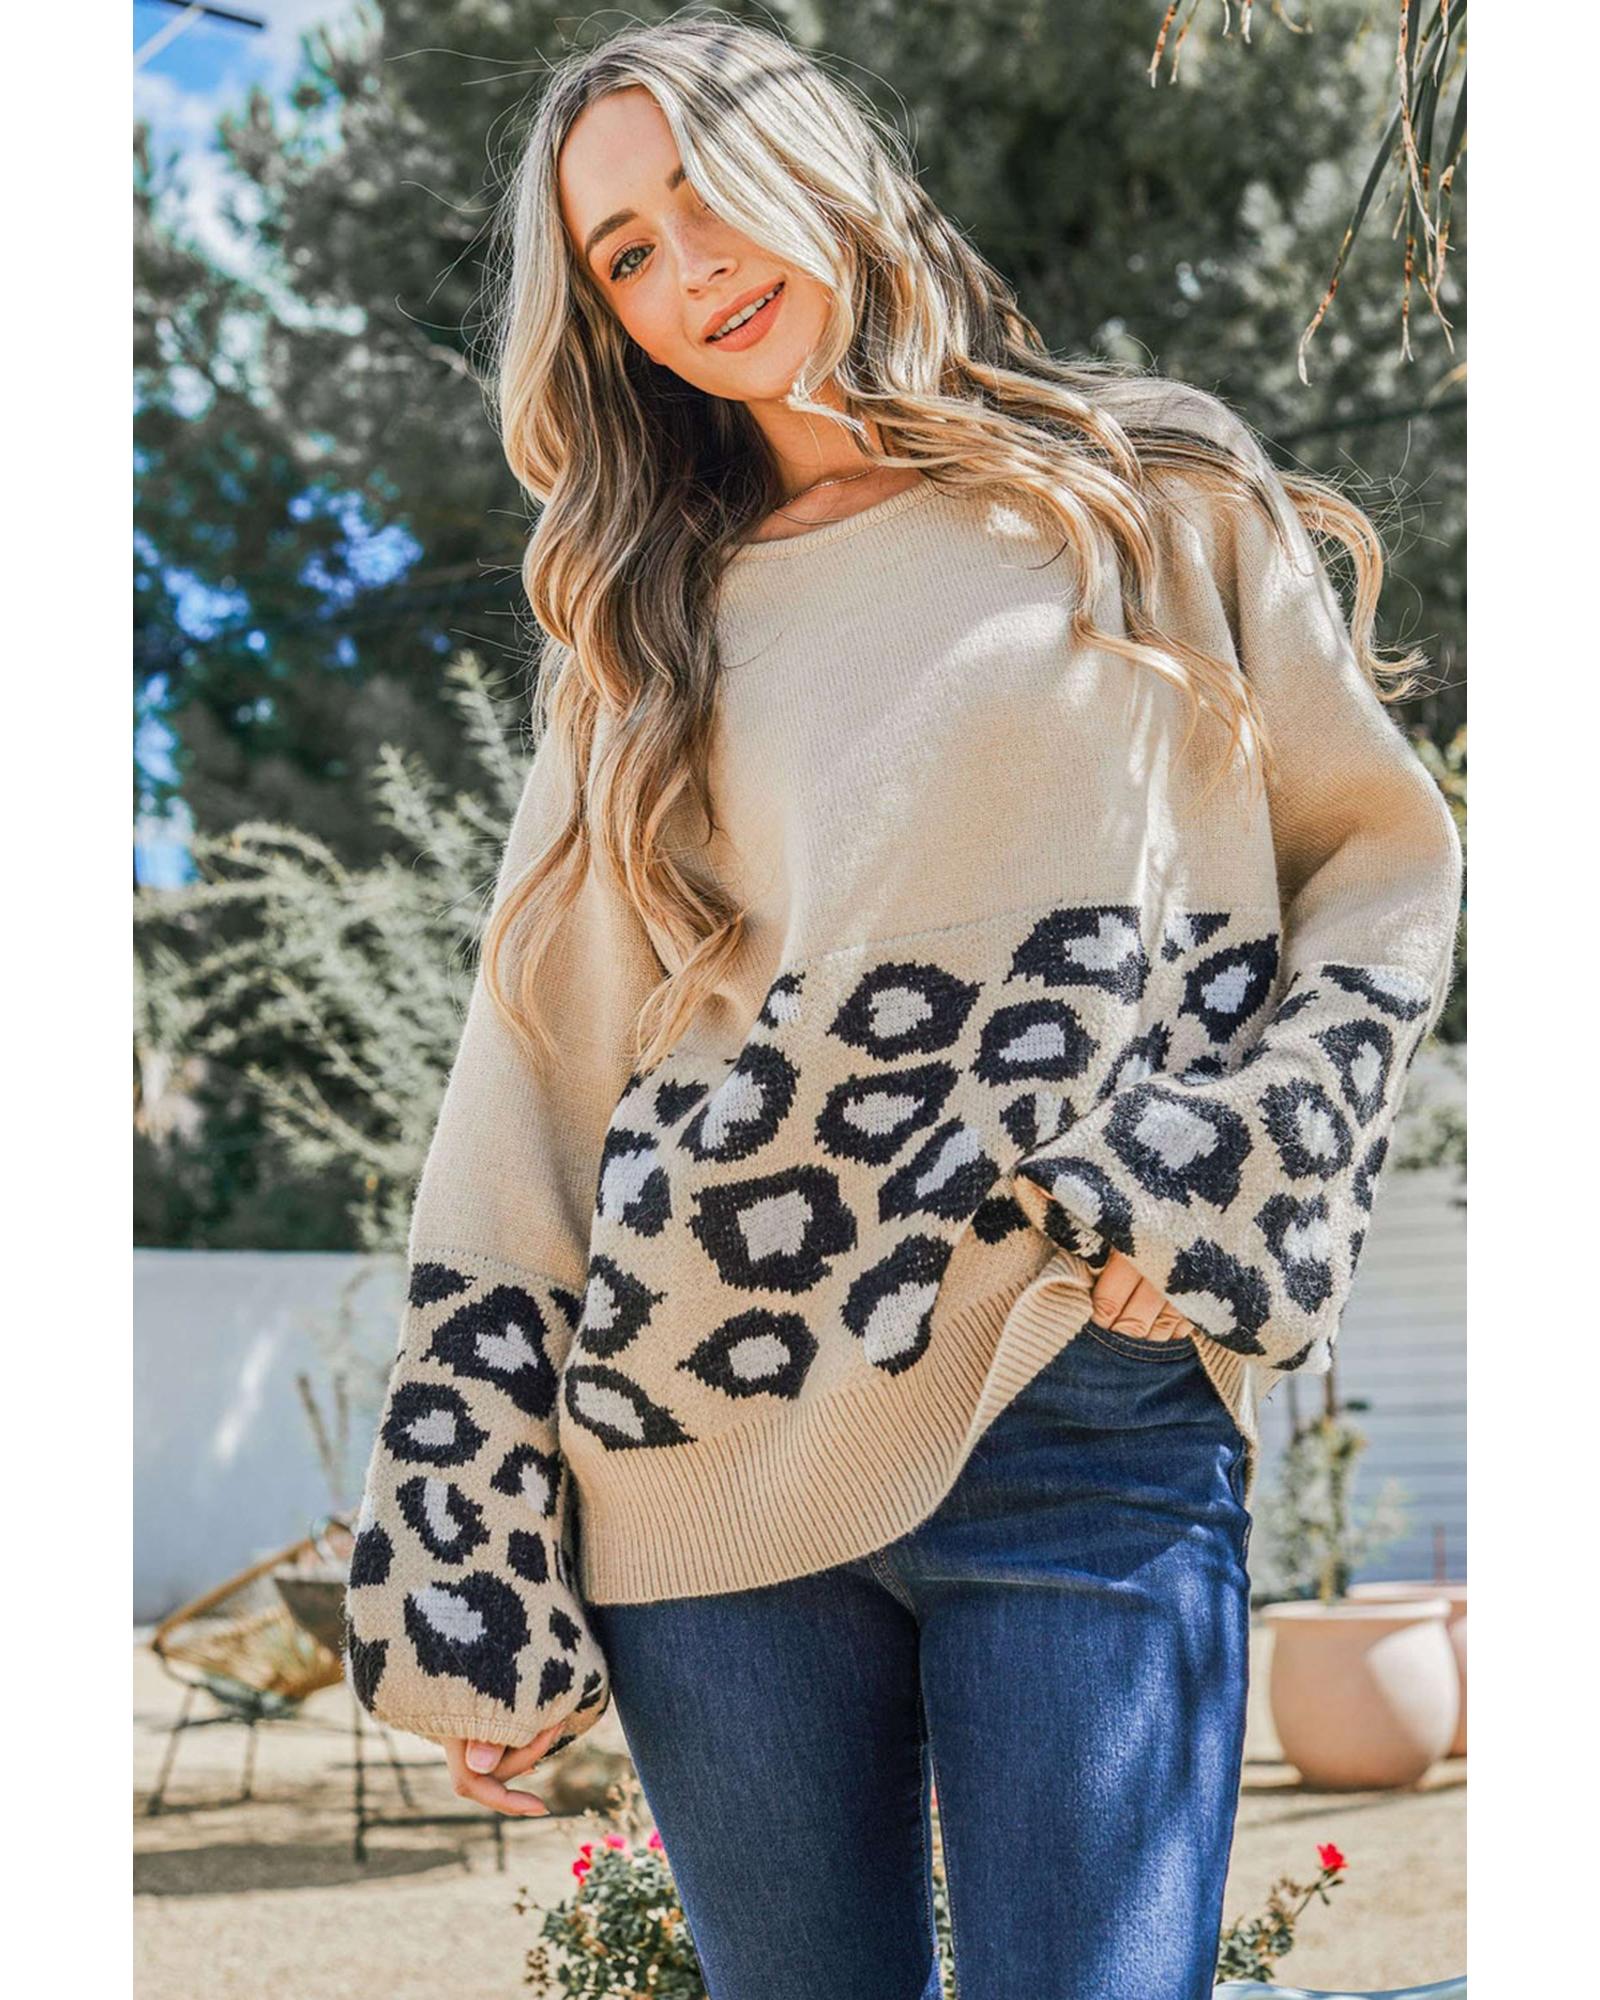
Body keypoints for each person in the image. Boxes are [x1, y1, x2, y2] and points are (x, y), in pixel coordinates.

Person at [343, 16, 1462, 1998]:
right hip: (695, 1453)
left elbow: (1377, 862)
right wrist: (467, 1554)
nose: (687, 268)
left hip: (1076, 1389)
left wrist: (1234, 1177)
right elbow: (534, 1077)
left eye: (705, 195)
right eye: (623, 254)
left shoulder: (1148, 488)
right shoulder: (641, 628)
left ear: (820, 163)